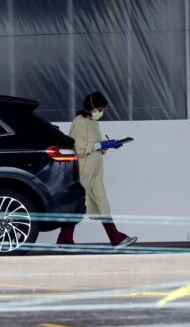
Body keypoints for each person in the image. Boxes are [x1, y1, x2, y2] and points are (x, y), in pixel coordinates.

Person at [57, 91, 137, 249]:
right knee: (76, 205)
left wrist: (109, 145)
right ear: (92, 107)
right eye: (101, 108)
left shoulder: (94, 123)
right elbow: (79, 148)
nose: (102, 111)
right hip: (83, 172)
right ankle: (64, 240)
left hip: (95, 172)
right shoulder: (79, 122)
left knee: (102, 204)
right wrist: (102, 145)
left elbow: (96, 146)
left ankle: (116, 239)